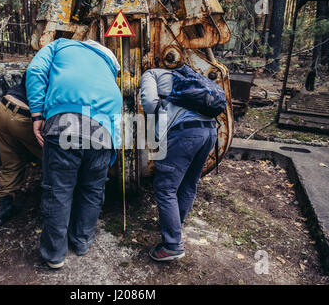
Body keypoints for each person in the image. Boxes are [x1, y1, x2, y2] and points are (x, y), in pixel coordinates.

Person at [26, 38, 122, 269]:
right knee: (92, 190)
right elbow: (116, 112)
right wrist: (112, 152)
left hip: (64, 120)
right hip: (103, 130)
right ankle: (82, 241)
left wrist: (37, 115)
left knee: (58, 190)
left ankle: (54, 254)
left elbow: (35, 70)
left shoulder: (59, 45)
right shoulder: (109, 64)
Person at [140, 67, 218, 261]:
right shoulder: (188, 75)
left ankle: (172, 245)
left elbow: (149, 103)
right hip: (209, 131)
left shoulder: (151, 73)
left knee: (165, 187)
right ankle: (175, 225)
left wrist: (156, 126)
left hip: (185, 133)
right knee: (188, 184)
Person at [0, 72, 41, 226]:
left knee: (11, 159)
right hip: (25, 116)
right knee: (55, 158)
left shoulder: (41, 61)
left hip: (4, 107)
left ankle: (4, 208)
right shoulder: (60, 65)